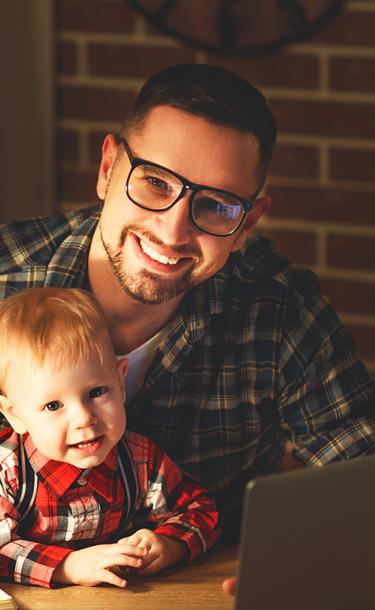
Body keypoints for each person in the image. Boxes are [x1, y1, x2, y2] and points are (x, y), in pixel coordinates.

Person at [0, 63, 374, 544]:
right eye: (156, 182)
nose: (173, 232)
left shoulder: (281, 306)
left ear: (249, 223)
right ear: (109, 169)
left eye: (216, 205)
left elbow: (361, 471)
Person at [0, 287, 219, 588]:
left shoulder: (141, 459)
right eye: (53, 405)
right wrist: (68, 566)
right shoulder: (8, 472)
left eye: (96, 392)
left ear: (120, 381)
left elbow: (200, 510)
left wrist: (170, 545)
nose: (84, 418)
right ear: (15, 414)